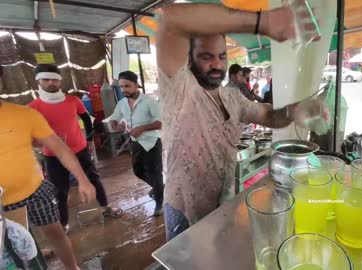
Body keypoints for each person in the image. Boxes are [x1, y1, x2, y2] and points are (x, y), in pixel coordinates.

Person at [156, 3, 326, 240]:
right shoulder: (180, 88)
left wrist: (293, 111)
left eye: (222, 56)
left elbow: (267, 115)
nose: (217, 65)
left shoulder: (231, 96)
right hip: (184, 210)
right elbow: (171, 20)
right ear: (189, 59)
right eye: (206, 57)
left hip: (222, 203)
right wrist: (262, 23)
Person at [0, 100, 96, 270]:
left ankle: (72, 267)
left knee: (55, 232)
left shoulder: (25, 114)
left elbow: (60, 148)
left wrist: (83, 179)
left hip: (34, 189)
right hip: (4, 202)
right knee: (11, 248)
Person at [28, 64, 123, 233]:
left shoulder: (73, 100)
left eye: (54, 80)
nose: (51, 83)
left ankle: (106, 207)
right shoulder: (33, 108)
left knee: (94, 179)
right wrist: (40, 143)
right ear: (38, 82)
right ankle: (64, 224)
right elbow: (29, 135)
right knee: (59, 190)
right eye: (46, 80)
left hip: (79, 149)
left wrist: (87, 136)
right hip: (53, 154)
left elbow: (86, 118)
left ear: (60, 81)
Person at [109, 71, 164, 216]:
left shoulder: (149, 101)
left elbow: (161, 122)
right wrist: (116, 124)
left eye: (127, 86)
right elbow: (114, 118)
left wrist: (142, 128)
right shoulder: (122, 103)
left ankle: (160, 202)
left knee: (155, 172)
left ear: (136, 85)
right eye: (121, 87)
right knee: (138, 171)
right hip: (135, 142)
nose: (124, 90)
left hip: (152, 142)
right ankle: (160, 188)